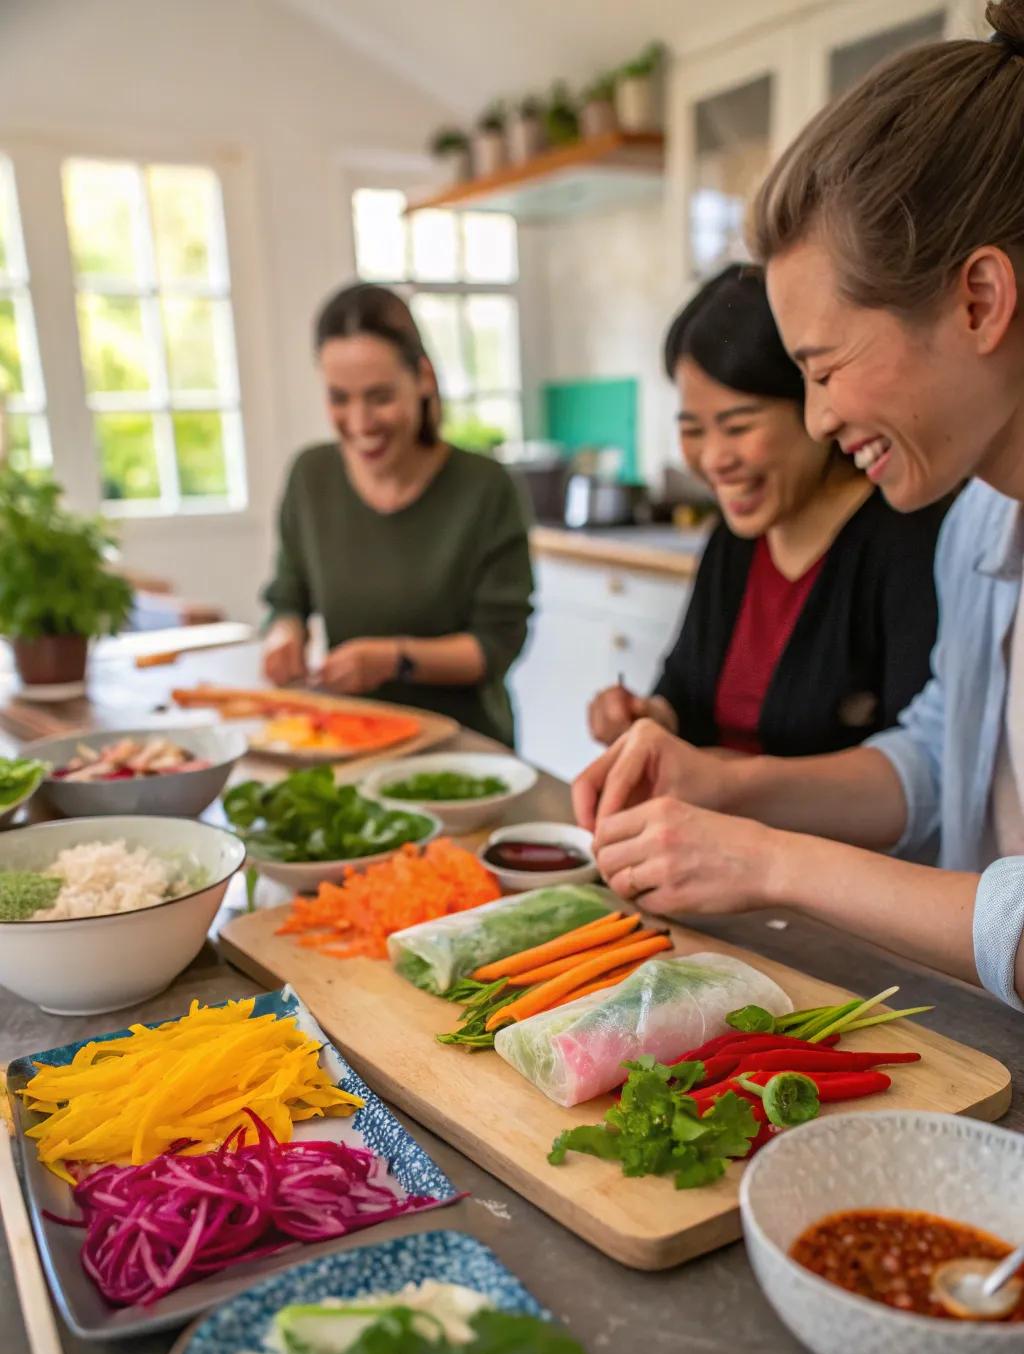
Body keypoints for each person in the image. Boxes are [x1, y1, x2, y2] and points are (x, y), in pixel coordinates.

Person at [573, 2, 1024, 1012]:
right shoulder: (980, 527)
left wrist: (770, 861)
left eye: (822, 369)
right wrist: (719, 785)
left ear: (980, 302)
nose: (815, 419)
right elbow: (934, 760)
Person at [588, 266, 945, 755]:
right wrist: (649, 718)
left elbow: (917, 775)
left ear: (815, 403)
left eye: (738, 427)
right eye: (692, 430)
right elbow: (685, 692)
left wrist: (722, 779)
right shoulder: (733, 539)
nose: (713, 459)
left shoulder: (906, 540)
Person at [261, 283, 533, 746]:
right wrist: (284, 637)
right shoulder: (311, 476)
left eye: (380, 396)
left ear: (423, 378)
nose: (360, 422)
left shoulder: (486, 488)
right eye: (339, 398)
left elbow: (496, 646)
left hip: (464, 749)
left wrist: (393, 660)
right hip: (350, 743)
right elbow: (288, 597)